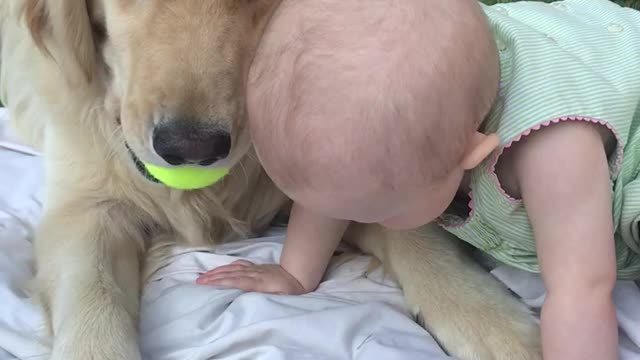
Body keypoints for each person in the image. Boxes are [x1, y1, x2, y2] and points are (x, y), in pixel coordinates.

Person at [197, 0, 640, 358]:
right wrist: (295, 274)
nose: (367, 223)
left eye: (384, 211)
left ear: (473, 154)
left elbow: (582, 290)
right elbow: (330, 192)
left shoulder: (550, 152)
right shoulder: (392, 114)